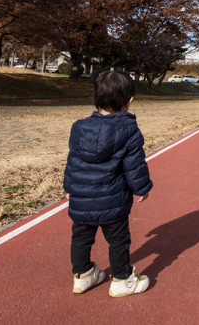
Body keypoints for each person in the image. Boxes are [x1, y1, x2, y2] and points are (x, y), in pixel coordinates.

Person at [64, 70, 153, 298]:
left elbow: (73, 161)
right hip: (113, 200)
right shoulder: (129, 130)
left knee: (81, 238)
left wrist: (69, 187)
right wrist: (141, 188)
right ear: (129, 101)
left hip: (81, 199)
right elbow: (134, 165)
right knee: (118, 240)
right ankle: (122, 279)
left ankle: (82, 275)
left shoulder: (79, 128)